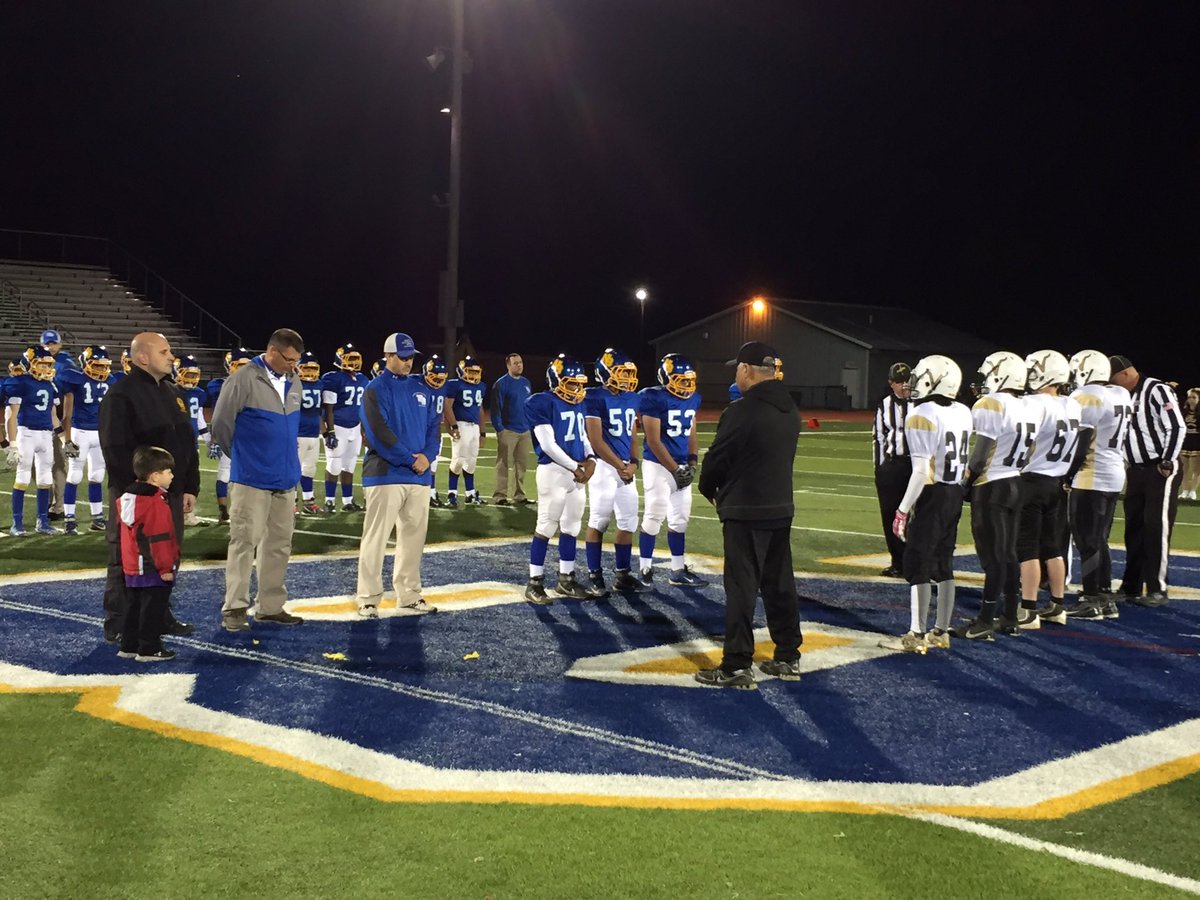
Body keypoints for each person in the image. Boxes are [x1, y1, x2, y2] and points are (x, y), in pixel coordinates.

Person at [695, 341, 803, 689]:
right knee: (780, 584)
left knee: (741, 588)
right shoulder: (791, 409)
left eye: (737, 368)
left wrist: (709, 490)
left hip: (745, 509)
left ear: (746, 370)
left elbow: (716, 460)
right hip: (780, 507)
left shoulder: (742, 411)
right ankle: (788, 655)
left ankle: (737, 664)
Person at [99, 331, 200, 643]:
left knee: (165, 556)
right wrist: (138, 490)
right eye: (164, 351)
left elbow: (187, 444)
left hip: (171, 493)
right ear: (142, 357)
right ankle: (120, 620)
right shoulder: (121, 394)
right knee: (127, 557)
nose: (171, 357)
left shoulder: (174, 393)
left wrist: (189, 486)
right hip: (136, 495)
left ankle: (158, 615)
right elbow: (115, 448)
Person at [211, 328, 306, 632]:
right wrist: (244, 458)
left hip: (285, 477)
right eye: (289, 359)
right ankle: (235, 608)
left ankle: (270, 607)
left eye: (296, 360)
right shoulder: (242, 378)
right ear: (272, 352)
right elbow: (222, 424)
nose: (293, 365)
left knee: (279, 545)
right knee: (243, 542)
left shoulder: (294, 380)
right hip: (252, 478)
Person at [879, 355, 973, 653]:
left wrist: (903, 509)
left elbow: (921, 471)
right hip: (954, 492)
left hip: (932, 493)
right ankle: (940, 631)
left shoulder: (921, 413)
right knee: (943, 563)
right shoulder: (963, 411)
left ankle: (916, 634)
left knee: (917, 562)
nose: (914, 383)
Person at [354, 333, 441, 617]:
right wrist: (409, 459)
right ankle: (368, 598)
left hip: (418, 476)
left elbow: (433, 428)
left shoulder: (422, 388)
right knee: (376, 538)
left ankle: (409, 594)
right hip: (385, 474)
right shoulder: (374, 389)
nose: (408, 362)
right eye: (402, 357)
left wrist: (427, 457)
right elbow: (378, 432)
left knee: (413, 539)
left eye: (411, 357)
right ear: (388, 356)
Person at [955, 351, 1038, 641]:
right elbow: (1030, 451)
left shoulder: (992, 403)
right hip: (1016, 481)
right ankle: (1011, 616)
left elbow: (979, 455)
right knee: (1009, 554)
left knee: (993, 558)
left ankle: (985, 621)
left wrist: (966, 481)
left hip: (992, 486)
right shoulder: (1027, 404)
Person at [1051, 350, 1132, 624]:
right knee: (1099, 539)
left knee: (1087, 540)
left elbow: (1081, 443)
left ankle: (1090, 598)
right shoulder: (1120, 393)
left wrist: (1067, 474)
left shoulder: (1086, 396)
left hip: (1091, 474)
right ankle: (1104, 597)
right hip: (1114, 471)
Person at [1013, 350, 1083, 628]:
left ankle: (1028, 609)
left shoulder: (1032, 403)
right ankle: (1057, 605)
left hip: (1032, 479)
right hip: (1056, 481)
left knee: (1027, 547)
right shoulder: (1072, 404)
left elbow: (1024, 438)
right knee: (1052, 546)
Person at [1109, 355, 1186, 607]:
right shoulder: (1124, 395)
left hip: (1159, 468)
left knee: (1156, 527)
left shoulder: (1156, 389)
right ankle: (1131, 585)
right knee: (1134, 528)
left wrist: (1166, 460)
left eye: (1113, 379)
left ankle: (1157, 588)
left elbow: (1176, 427)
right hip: (1136, 469)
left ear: (1125, 374)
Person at [523, 354, 600, 603]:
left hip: (575, 472)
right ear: (556, 380)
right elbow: (548, 444)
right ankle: (534, 583)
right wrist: (575, 466)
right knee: (546, 526)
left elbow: (583, 436)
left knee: (571, 526)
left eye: (579, 384)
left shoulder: (579, 403)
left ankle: (566, 579)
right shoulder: (541, 402)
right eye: (571, 383)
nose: (577, 389)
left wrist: (591, 459)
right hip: (554, 472)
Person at [637, 352, 704, 586]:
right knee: (655, 513)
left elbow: (692, 432)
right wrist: (675, 468)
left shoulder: (694, 398)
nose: (686, 384)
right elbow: (654, 441)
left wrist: (693, 462)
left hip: (682, 465)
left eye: (688, 379)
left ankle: (677, 570)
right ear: (666, 377)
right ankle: (645, 567)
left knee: (680, 518)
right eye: (680, 379)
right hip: (659, 465)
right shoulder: (653, 397)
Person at [582, 349, 644, 596]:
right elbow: (596, 441)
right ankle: (594, 575)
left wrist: (634, 463)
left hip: (625, 466)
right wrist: (620, 465)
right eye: (622, 372)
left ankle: (623, 574)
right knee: (599, 521)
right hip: (605, 467)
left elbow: (631, 434)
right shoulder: (594, 397)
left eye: (629, 373)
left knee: (629, 521)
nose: (628, 378)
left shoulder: (631, 398)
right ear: (606, 372)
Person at [117, 445, 181, 662]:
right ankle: (149, 648)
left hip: (133, 564)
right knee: (153, 609)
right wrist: (165, 568)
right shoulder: (154, 503)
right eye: (168, 471)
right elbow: (159, 538)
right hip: (153, 565)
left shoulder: (128, 497)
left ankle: (129, 645)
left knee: (133, 606)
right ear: (155, 477)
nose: (172, 475)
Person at [58, 345, 117, 534]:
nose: (101, 370)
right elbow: (66, 415)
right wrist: (67, 440)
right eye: (96, 366)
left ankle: (97, 517)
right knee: (75, 474)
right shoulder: (74, 380)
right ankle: (69, 519)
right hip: (80, 432)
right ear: (85, 364)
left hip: (100, 433)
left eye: (103, 366)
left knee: (97, 475)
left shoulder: (111, 381)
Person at [7, 345, 62, 535]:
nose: (47, 369)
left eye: (49, 365)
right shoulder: (21, 383)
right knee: (22, 476)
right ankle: (17, 523)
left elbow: (54, 416)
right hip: (27, 433)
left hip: (46, 435)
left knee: (45, 478)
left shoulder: (50, 385)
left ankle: (43, 522)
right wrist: (12, 444)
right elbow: (11, 416)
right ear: (30, 364)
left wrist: (65, 440)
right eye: (43, 364)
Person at [872, 362, 912, 578]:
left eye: (906, 380)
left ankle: (918, 561)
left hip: (916, 466)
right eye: (899, 381)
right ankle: (898, 562)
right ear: (891, 383)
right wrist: (879, 468)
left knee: (916, 515)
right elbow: (878, 437)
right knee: (890, 514)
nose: (903, 385)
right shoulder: (884, 405)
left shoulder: (920, 403)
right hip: (893, 465)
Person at [205, 348, 253, 524]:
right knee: (225, 472)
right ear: (229, 366)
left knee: (247, 474)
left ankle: (243, 510)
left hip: (248, 435)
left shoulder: (256, 385)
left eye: (246, 366)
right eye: (239, 365)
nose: (243, 369)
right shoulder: (218, 385)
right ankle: (223, 511)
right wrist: (215, 439)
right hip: (229, 434)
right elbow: (218, 415)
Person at [320, 342, 368, 512]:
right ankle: (330, 501)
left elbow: (362, 409)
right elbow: (328, 408)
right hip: (338, 426)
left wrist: (363, 431)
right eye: (350, 359)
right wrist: (330, 431)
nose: (354, 362)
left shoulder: (363, 379)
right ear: (340, 359)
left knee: (349, 465)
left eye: (356, 358)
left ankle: (348, 501)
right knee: (334, 463)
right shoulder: (333, 378)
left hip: (355, 427)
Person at [40, 328, 75, 520]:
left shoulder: (66, 365)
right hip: (38, 421)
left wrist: (66, 425)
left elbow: (71, 395)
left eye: (53, 343)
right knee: (39, 465)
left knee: (58, 464)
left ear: (60, 344)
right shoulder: (34, 361)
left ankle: (58, 506)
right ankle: (44, 501)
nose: (50, 347)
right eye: (47, 343)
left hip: (58, 420)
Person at [443, 355, 488, 507]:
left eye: (476, 372)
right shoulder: (454, 385)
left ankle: (470, 494)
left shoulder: (481, 386)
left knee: (471, 460)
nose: (474, 375)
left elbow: (480, 410)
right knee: (458, 459)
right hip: (461, 424)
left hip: (474, 426)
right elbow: (447, 406)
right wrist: (452, 426)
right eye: (470, 371)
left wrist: (482, 432)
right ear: (461, 371)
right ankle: (452, 494)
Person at [490, 352, 534, 505]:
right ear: (508, 365)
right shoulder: (501, 384)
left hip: (525, 430)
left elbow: (528, 406)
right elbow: (496, 409)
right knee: (503, 464)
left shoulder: (526, 382)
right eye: (515, 363)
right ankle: (500, 495)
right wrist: (500, 429)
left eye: (520, 362)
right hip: (508, 430)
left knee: (521, 465)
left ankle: (519, 495)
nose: (519, 365)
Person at [173, 354, 210, 527]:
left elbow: (200, 417)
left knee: (191, 480)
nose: (191, 379)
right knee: (173, 479)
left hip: (192, 442)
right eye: (188, 374)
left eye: (194, 375)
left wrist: (209, 439)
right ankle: (171, 513)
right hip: (176, 442)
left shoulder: (199, 393)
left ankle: (188, 514)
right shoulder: (171, 391)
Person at [295, 350, 326, 515]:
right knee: (294, 469)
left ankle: (308, 501)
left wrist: (326, 432)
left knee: (309, 469)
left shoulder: (320, 384)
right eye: (306, 369)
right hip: (298, 433)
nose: (310, 372)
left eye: (313, 369)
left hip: (314, 434)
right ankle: (291, 502)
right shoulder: (293, 383)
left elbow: (319, 412)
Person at [420, 354, 450, 507]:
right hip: (419, 428)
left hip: (435, 427)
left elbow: (445, 405)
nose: (438, 381)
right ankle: (421, 493)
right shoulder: (416, 383)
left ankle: (431, 493)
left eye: (441, 378)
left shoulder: (444, 387)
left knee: (433, 464)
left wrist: (452, 425)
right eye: (434, 377)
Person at [1180, 387, 1199, 500]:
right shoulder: (1183, 411)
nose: (1191, 400)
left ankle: (1193, 491)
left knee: (1196, 469)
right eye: (1189, 397)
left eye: (1194, 397)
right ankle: (1184, 491)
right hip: (1185, 441)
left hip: (1197, 442)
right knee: (1184, 469)